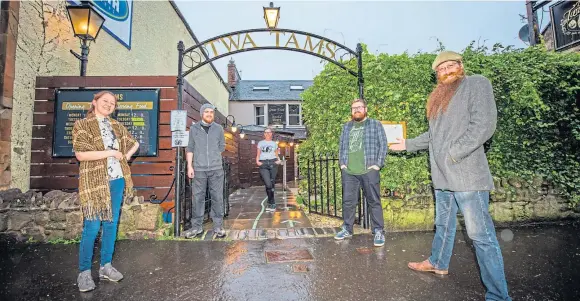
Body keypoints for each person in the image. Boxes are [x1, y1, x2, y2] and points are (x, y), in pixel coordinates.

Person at [389, 51, 511, 301]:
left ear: (461, 66)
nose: (445, 71)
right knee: (444, 224)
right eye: (440, 69)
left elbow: (484, 125)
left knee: (480, 236)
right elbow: (434, 136)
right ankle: (438, 263)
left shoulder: (476, 84)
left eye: (450, 66)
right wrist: (406, 144)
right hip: (443, 178)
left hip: (467, 176)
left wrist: (454, 154)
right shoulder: (438, 97)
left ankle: (498, 296)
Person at [72, 91, 140, 292]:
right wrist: (111, 152)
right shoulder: (82, 125)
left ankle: (105, 266)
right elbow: (81, 154)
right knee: (92, 225)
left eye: (112, 103)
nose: (109, 105)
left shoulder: (116, 126)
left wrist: (125, 156)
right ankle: (84, 272)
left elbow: (134, 143)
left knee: (111, 224)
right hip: (94, 181)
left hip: (117, 180)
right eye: (105, 101)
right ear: (94, 102)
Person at [335, 98, 388, 247]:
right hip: (349, 171)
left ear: (365, 109)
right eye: (353, 108)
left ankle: (378, 230)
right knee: (348, 201)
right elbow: (342, 146)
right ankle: (347, 228)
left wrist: (378, 164)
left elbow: (383, 145)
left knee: (374, 201)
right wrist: (342, 164)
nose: (356, 110)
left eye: (359, 107)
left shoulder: (375, 124)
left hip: (369, 169)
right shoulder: (347, 126)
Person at [183, 103, 226, 239]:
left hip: (216, 169)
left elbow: (222, 146)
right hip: (199, 170)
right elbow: (190, 148)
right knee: (198, 199)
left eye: (211, 112)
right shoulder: (194, 129)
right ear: (202, 114)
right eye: (206, 112)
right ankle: (197, 227)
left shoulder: (219, 129)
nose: (209, 114)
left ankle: (218, 226)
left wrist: (213, 156)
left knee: (217, 198)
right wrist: (190, 166)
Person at [256, 127, 282, 212]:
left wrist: (278, 160)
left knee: (272, 184)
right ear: (264, 134)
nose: (267, 134)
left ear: (271, 134)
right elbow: (258, 154)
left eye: (269, 132)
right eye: (266, 132)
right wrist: (257, 161)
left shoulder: (274, 143)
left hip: (273, 163)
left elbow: (276, 153)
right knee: (268, 184)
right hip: (263, 164)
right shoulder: (260, 143)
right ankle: (272, 201)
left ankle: (271, 203)